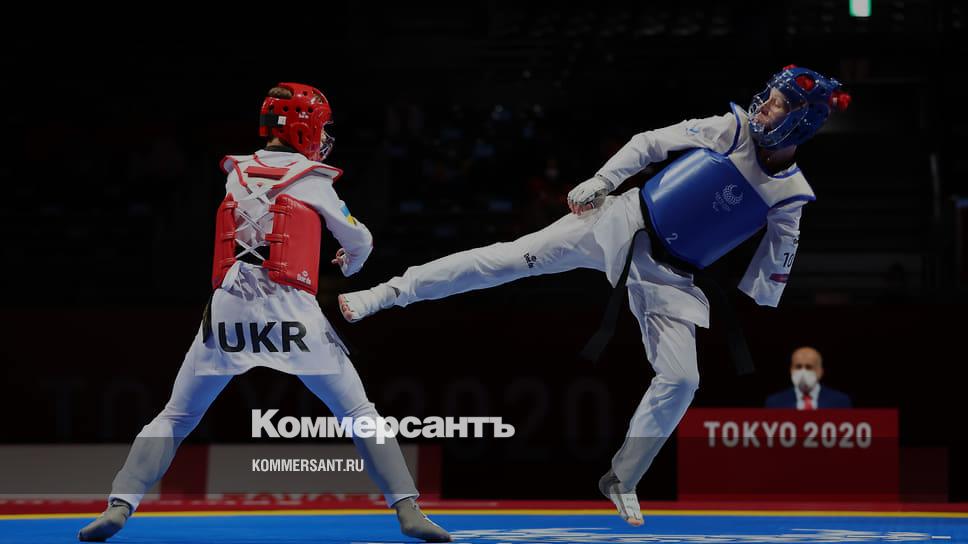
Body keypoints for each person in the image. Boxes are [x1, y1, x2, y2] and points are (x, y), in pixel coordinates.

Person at [338, 66, 850, 526]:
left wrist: (767, 290)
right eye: (769, 97)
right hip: (620, 220)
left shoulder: (790, 195)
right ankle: (385, 293)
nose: (765, 108)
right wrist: (603, 180)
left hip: (670, 277)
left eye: (779, 105)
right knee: (503, 261)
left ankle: (623, 478)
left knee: (682, 380)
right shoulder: (730, 128)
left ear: (801, 123)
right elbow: (650, 142)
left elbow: (781, 252)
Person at [78, 83, 451, 542]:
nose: (325, 135)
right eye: (322, 126)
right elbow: (360, 239)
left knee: (175, 417)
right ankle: (408, 509)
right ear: (304, 128)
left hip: (229, 309)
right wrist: (350, 264)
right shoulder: (313, 178)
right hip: (289, 310)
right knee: (359, 413)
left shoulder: (235, 171)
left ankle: (119, 504)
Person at [765, 346, 853, 409]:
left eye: (809, 367)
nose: (803, 372)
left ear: (820, 371)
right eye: (798, 367)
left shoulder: (840, 402)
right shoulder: (775, 403)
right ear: (791, 370)